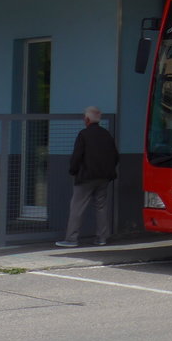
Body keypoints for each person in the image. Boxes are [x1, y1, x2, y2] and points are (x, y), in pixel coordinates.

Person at [55, 106, 119, 248]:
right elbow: (115, 156)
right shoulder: (106, 134)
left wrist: (73, 171)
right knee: (101, 207)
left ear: (87, 119)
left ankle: (71, 239)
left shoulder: (83, 134)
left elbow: (77, 156)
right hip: (104, 177)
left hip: (86, 177)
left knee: (77, 207)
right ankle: (102, 238)